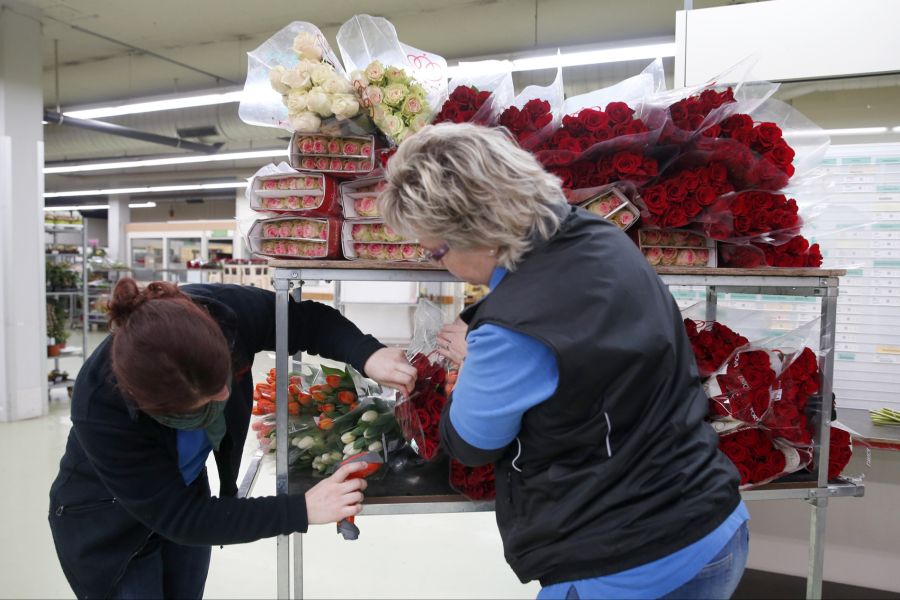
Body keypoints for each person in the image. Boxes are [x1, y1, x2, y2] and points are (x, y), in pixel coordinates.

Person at [379, 123, 749, 600]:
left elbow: (471, 443)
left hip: (627, 563)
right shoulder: (600, 236)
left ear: (478, 233)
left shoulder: (512, 330)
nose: (440, 264)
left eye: (437, 251)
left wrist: (471, 361)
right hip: (711, 517)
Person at [49, 279, 417, 599]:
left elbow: (306, 321)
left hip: (185, 488)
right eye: (204, 403)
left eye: (224, 379)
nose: (226, 398)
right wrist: (300, 510)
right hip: (110, 527)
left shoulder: (222, 313)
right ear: (154, 408)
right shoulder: (100, 406)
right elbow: (183, 518)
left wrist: (368, 354)